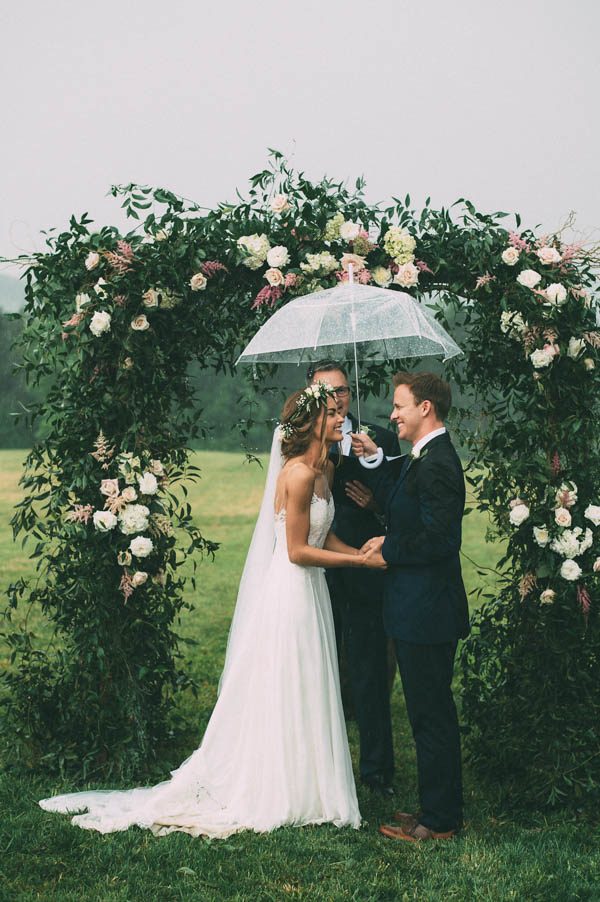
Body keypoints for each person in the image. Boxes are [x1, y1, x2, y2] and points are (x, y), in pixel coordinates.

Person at [38, 382, 385, 838]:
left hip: (313, 592)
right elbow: (298, 551)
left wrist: (357, 550)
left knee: (310, 682)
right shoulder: (298, 475)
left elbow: (323, 537)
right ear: (312, 423)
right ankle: (275, 787)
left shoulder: (323, 471)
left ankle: (313, 786)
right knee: (289, 682)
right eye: (333, 413)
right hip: (292, 591)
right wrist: (358, 562)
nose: (342, 416)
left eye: (340, 412)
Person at [352, 371, 470, 842]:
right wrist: (389, 533)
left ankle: (440, 820)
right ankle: (432, 807)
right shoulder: (424, 457)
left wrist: (388, 549)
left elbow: (440, 540)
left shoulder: (438, 462)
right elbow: (413, 518)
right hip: (416, 608)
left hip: (428, 612)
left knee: (432, 715)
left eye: (399, 406)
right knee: (426, 713)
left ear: (426, 408)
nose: (392, 414)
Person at [307, 360, 397, 797]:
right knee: (315, 668)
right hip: (314, 573)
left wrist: (375, 504)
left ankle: (376, 771)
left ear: (351, 392)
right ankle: (319, 765)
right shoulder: (301, 444)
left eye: (342, 390)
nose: (336, 399)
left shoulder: (379, 438)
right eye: (326, 391)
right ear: (310, 394)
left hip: (364, 572)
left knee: (368, 671)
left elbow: (402, 503)